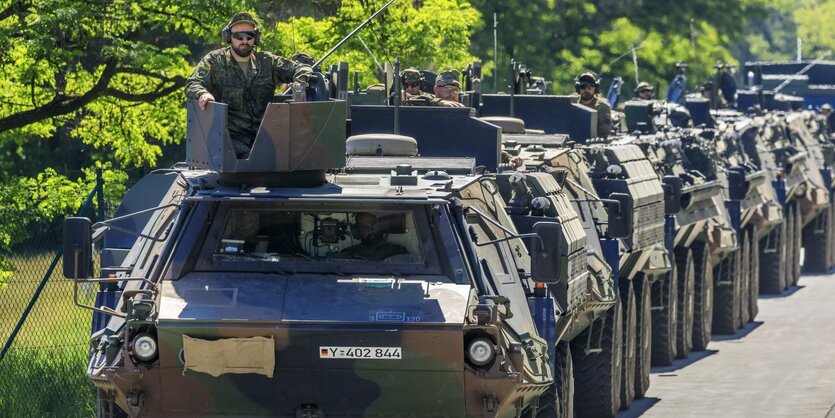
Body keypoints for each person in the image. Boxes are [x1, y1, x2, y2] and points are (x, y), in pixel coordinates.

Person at [184, 12, 313, 158]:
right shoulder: (214, 61)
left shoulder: (267, 62)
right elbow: (192, 83)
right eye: (239, 37)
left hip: (266, 138)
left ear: (255, 38)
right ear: (228, 37)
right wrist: (203, 94)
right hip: (230, 140)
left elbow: (300, 68)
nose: (244, 40)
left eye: (249, 36)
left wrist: (300, 82)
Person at [337, 212, 408, 260]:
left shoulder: (398, 251)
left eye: (374, 225)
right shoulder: (348, 254)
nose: (371, 230)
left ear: (381, 226)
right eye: (365, 227)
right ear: (357, 231)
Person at [570, 70, 612, 138]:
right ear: (578, 88)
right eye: (583, 87)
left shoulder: (602, 107)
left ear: (595, 89)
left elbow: (605, 132)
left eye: (590, 87)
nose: (586, 90)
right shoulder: (571, 104)